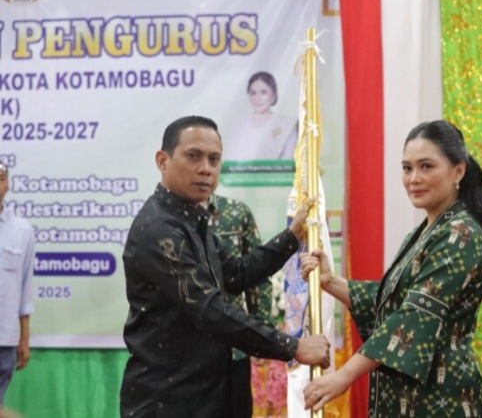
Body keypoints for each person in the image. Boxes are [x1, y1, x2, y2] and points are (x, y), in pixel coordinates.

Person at [120, 116, 330, 418]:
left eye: (214, 159)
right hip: (168, 401)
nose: (206, 168)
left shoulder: (190, 218)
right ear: (163, 161)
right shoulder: (159, 229)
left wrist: (291, 237)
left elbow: (235, 274)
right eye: (194, 156)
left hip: (208, 392)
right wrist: (293, 347)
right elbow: (209, 310)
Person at [300, 120, 482, 418]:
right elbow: (393, 302)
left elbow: (414, 316)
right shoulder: (427, 232)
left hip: (439, 400)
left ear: (458, 171)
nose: (414, 178)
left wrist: (343, 376)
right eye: (407, 168)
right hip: (408, 398)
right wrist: (331, 281)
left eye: (426, 166)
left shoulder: (460, 235)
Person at [206, 193, 273, 418]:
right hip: (183, 354)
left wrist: (260, 333)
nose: (205, 174)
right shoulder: (165, 219)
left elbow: (256, 274)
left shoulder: (236, 213)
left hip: (233, 348)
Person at [0, 162, 35, 407]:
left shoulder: (22, 230)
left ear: (8, 185)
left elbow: (25, 287)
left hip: (5, 338)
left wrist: (24, 338)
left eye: (1, 178)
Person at [224, 71, 298, 161]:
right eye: (253, 93)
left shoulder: (287, 125)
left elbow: (289, 159)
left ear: (273, 95)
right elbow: (231, 159)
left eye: (263, 92)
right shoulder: (238, 125)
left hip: (276, 170)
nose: (258, 98)